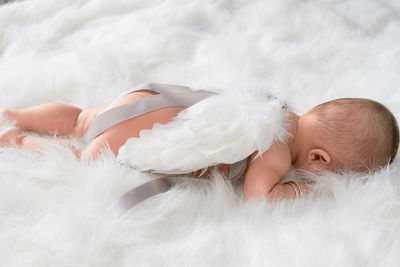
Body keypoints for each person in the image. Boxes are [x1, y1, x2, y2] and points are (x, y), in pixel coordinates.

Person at [0, 84, 398, 201]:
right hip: (145, 135)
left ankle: (15, 115)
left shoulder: (274, 105)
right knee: (84, 160)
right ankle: (16, 141)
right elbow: (258, 198)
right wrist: (297, 191)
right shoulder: (277, 146)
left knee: (81, 119)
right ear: (319, 158)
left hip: (151, 99)